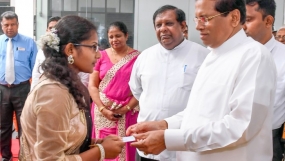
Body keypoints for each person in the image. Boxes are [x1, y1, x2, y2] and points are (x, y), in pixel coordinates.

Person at [127, 0, 277, 161]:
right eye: (197, 19)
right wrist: (164, 125)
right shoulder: (211, 55)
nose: (198, 26)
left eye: (205, 18)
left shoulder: (253, 56)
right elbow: (197, 113)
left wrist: (169, 139)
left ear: (234, 18)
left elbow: (241, 127)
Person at [20, 15, 124, 160]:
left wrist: (94, 144)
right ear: (70, 50)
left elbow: (65, 139)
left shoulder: (68, 84)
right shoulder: (53, 92)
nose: (99, 54)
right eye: (93, 47)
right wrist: (100, 152)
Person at [129, 5, 209, 161]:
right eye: (158, 25)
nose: (163, 29)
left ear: (183, 26)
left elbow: (206, 102)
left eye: (169, 23)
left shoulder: (203, 56)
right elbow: (137, 90)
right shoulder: (145, 57)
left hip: (184, 146)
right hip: (148, 145)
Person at [88, 21, 139, 161]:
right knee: (102, 148)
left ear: (126, 35)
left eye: (118, 36)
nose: (114, 40)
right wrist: (102, 108)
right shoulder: (101, 56)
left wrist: (125, 108)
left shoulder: (138, 58)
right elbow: (92, 85)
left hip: (127, 112)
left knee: (124, 147)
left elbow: (141, 89)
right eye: (111, 37)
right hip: (102, 111)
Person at [243, 1, 285, 160]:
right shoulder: (232, 55)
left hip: (268, 140)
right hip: (229, 138)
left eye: (247, 20)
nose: (242, 27)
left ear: (268, 21)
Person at [0, 11, 38, 161]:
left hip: (22, 89)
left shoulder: (29, 42)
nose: (9, 27)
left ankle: (24, 156)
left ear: (18, 25)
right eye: (6, 25)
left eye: (12, 24)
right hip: (2, 89)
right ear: (2, 26)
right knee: (3, 126)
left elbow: (35, 68)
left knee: (25, 126)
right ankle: (6, 156)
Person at [31, 16, 61, 90]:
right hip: (43, 89)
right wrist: (32, 92)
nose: (53, 31)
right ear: (47, 30)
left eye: (56, 28)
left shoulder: (68, 49)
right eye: (51, 28)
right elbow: (36, 74)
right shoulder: (41, 51)